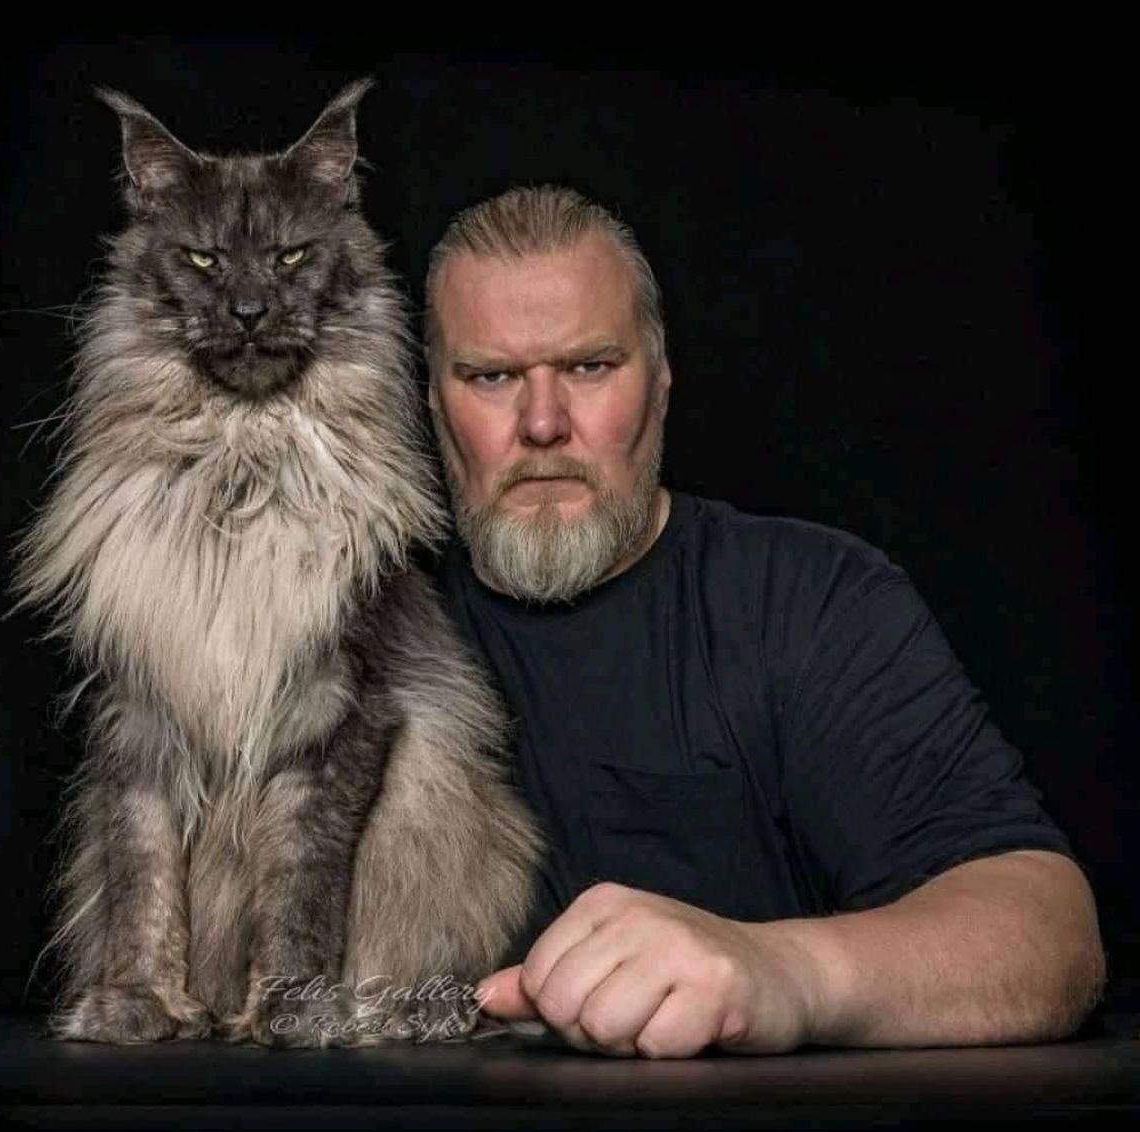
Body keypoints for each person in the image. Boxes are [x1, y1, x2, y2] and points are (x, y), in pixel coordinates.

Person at [421, 185, 1106, 1059]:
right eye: (492, 377)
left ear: (660, 387)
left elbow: (1047, 934)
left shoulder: (812, 600)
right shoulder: (353, 632)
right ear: (436, 405)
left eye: (591, 367)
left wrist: (778, 970)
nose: (544, 423)